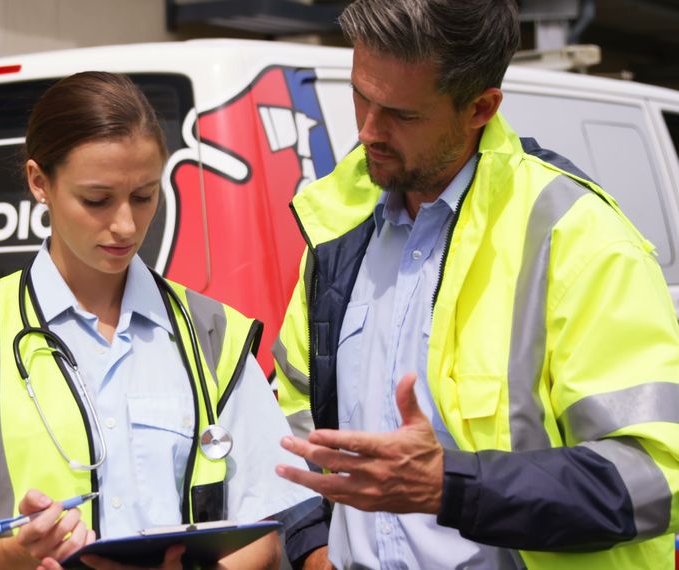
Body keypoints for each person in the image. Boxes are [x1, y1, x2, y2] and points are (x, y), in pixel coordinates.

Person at [271, 0, 679, 568]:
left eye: (402, 114)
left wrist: (452, 485)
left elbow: (657, 477)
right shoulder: (337, 225)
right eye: (361, 94)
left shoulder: (576, 235)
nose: (367, 130)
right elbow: (290, 416)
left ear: (481, 108)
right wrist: (311, 545)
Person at [0, 71, 314, 570]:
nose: (127, 225)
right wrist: (16, 556)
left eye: (145, 195)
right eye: (97, 200)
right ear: (39, 182)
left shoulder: (215, 333)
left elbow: (264, 524)